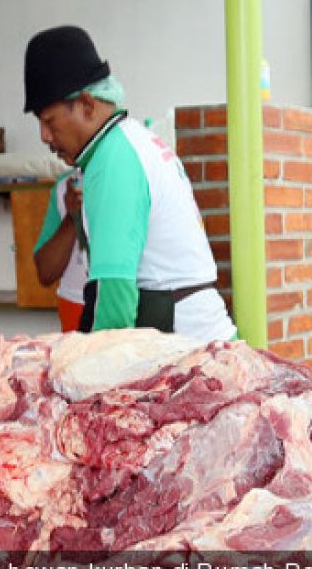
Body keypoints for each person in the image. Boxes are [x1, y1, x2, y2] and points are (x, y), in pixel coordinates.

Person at [24, 25, 236, 341]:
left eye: (50, 122)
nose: (44, 137)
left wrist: (97, 377)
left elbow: (114, 298)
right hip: (202, 342)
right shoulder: (135, 141)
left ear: (86, 104)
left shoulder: (112, 159)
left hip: (187, 351)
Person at [34, 168, 88, 332]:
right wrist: (73, 217)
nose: (47, 140)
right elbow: (46, 273)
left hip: (125, 306)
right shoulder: (65, 186)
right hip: (75, 307)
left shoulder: (128, 175)